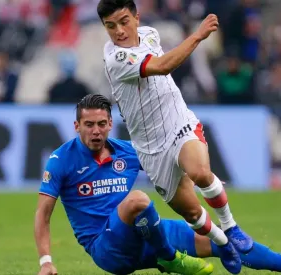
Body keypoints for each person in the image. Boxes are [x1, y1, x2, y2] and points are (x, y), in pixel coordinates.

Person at [34, 94, 281, 275]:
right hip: (106, 249)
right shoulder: (61, 160)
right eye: (88, 125)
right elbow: (43, 215)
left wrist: (195, 174)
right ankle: (170, 258)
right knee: (138, 199)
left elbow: (170, 165)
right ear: (77, 126)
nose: (96, 131)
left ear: (110, 123)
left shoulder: (127, 151)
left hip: (145, 234)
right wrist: (46, 261)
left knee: (222, 240)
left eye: (101, 124)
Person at [98, 1, 250, 271]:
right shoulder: (116, 58)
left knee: (201, 173)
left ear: (136, 17)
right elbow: (163, 65)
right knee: (191, 213)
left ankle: (232, 228)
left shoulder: (151, 34)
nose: (119, 31)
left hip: (178, 123)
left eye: (123, 21)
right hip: (150, 147)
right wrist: (198, 35)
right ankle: (224, 243)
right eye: (111, 26)